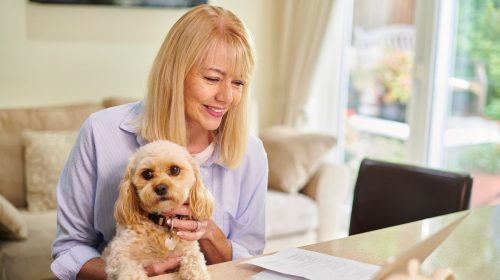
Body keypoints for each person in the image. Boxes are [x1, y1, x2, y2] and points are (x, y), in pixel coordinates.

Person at [50, 4, 268, 279]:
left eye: (238, 83)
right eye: (213, 79)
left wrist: (209, 233)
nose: (226, 97)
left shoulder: (252, 154)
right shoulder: (100, 132)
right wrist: (128, 272)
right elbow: (69, 250)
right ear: (174, 74)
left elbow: (249, 259)